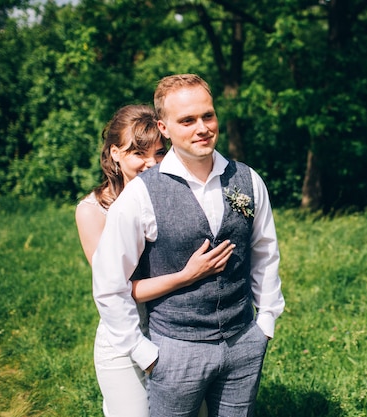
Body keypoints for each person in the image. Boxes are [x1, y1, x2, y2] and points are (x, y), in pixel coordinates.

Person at [91, 74, 285, 417]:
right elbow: (109, 285)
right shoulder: (140, 195)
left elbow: (265, 252)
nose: (202, 127)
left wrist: (266, 321)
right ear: (164, 128)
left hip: (244, 343)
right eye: (187, 120)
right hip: (175, 350)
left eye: (207, 116)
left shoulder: (248, 179)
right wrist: (143, 353)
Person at [76, 104, 227, 417]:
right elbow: (117, 289)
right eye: (138, 153)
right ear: (115, 153)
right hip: (126, 334)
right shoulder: (92, 211)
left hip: (180, 328)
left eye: (159, 153)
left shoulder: (179, 196)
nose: (151, 163)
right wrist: (187, 275)